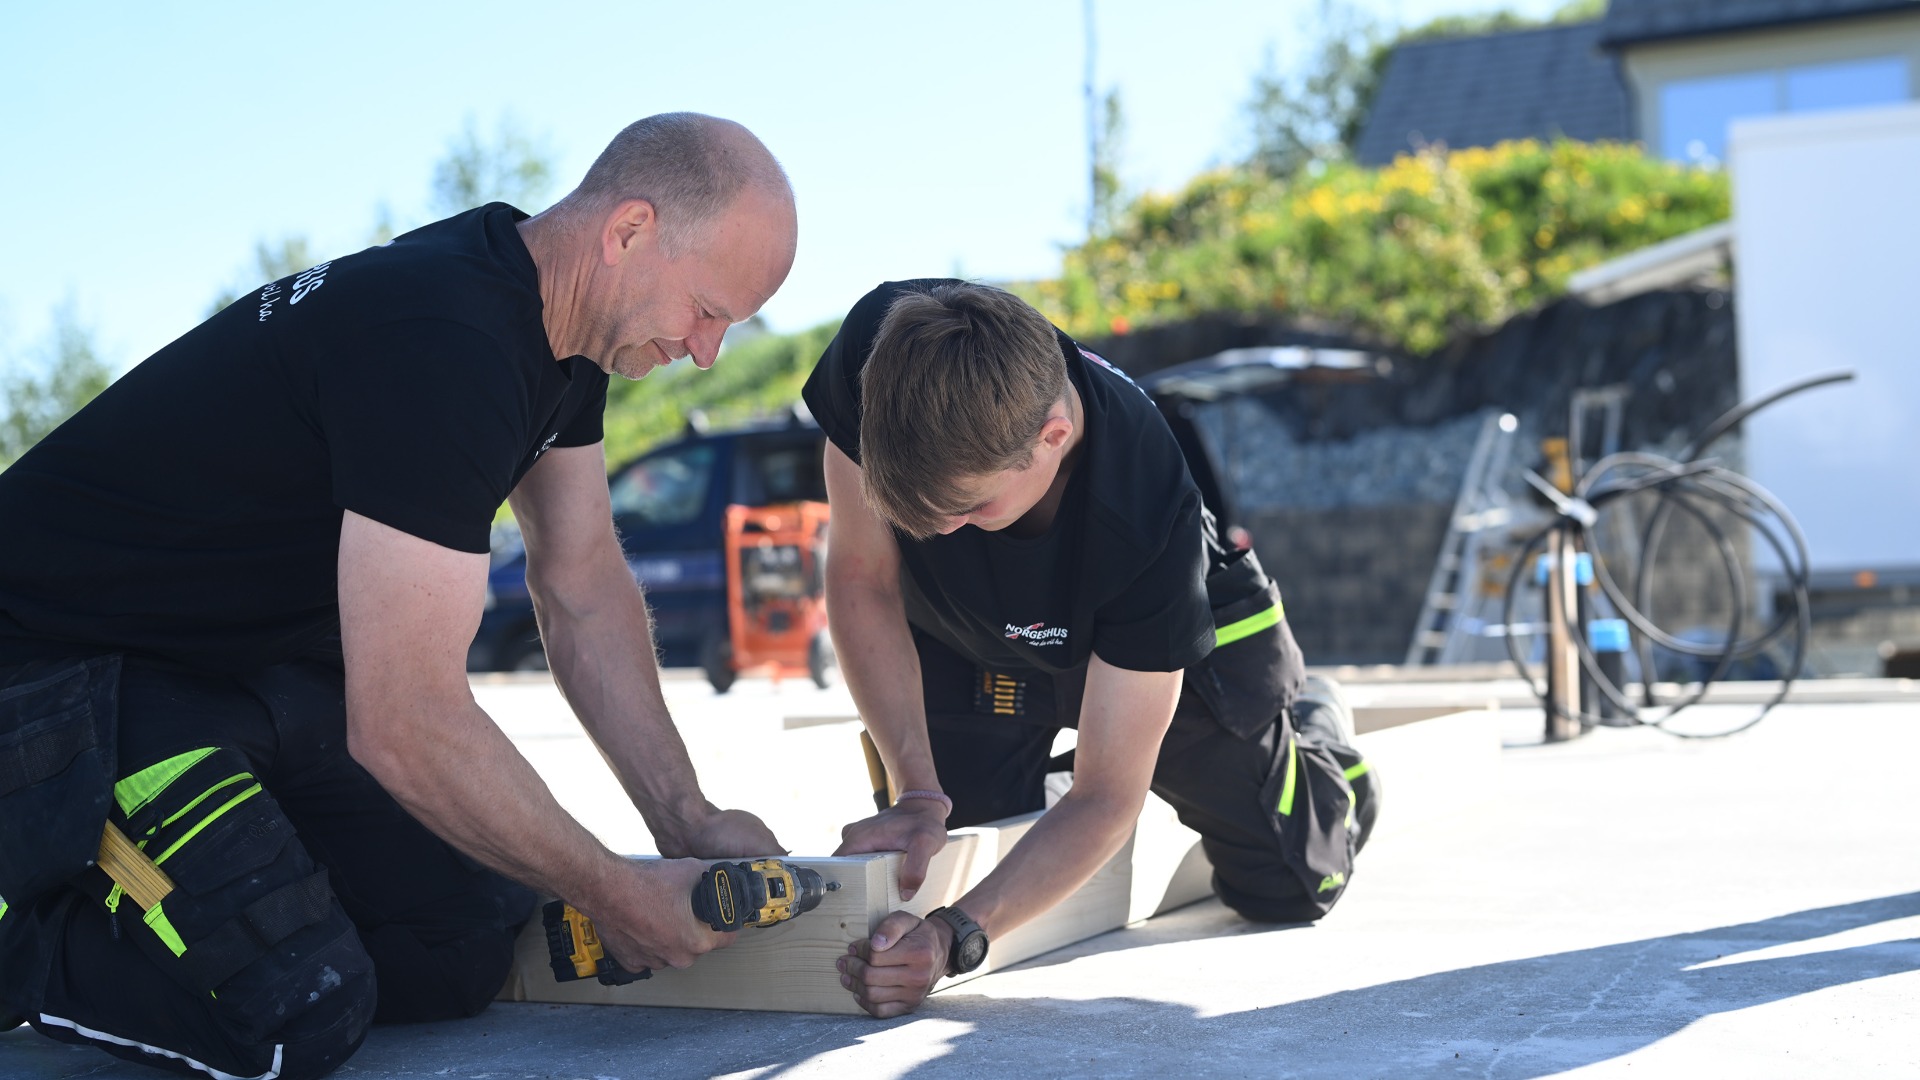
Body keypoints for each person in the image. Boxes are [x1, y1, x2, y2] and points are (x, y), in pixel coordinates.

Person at [0, 113, 797, 1079]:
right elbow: (404, 720)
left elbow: (582, 583)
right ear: (628, 231)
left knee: (453, 950)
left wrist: (683, 820)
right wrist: (618, 895)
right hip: (55, 682)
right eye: (709, 310)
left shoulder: (556, 331)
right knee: (292, 1017)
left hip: (236, 674)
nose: (710, 351)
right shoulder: (441, 339)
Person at [802, 280, 1382, 1019]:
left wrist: (957, 937)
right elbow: (863, 578)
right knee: (940, 854)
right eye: (914, 510)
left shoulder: (1146, 512)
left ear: (1053, 436)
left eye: (969, 506)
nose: (938, 531)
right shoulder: (878, 360)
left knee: (1290, 887)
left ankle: (1315, 732)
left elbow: (1109, 796)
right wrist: (919, 790)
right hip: (970, 636)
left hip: (1157, 640)